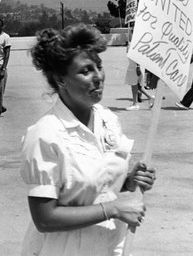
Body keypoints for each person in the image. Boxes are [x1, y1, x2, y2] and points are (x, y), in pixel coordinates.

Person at [21, 24, 156, 255]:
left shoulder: (108, 120)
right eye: (86, 71)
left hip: (111, 245)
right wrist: (112, 209)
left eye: (99, 67)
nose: (98, 77)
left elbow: (92, 184)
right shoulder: (45, 134)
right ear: (60, 80)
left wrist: (129, 181)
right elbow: (45, 218)